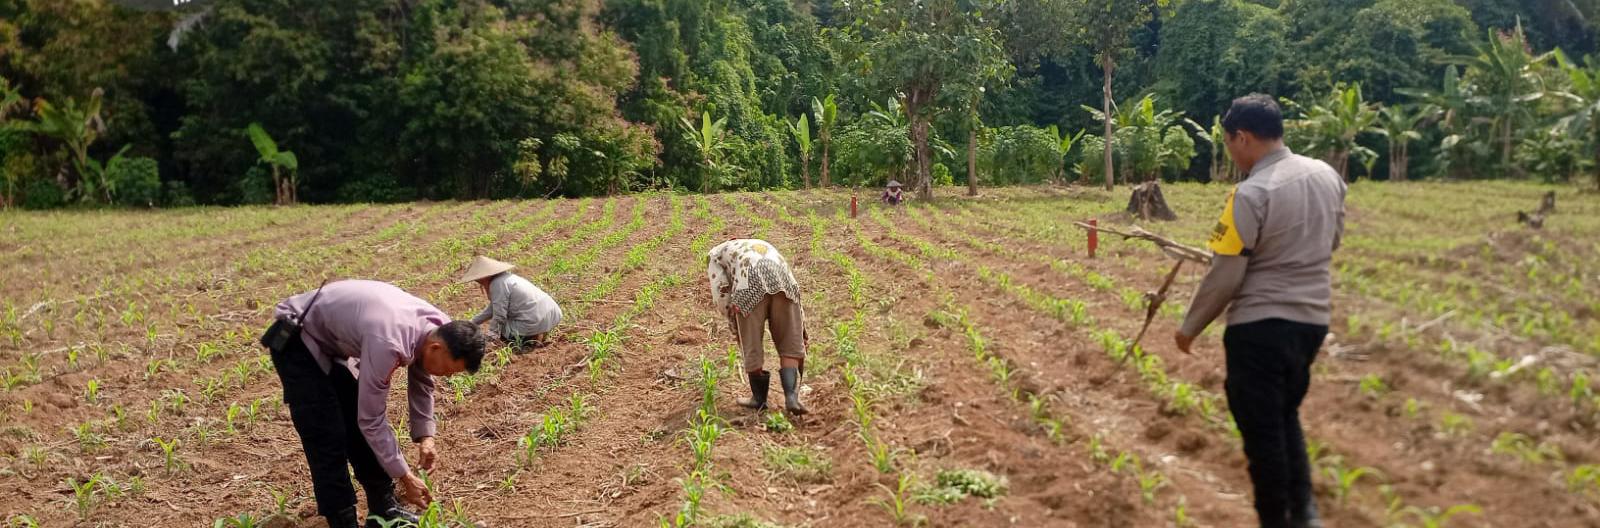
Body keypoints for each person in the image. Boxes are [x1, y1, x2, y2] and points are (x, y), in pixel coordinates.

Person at [1174, 94, 1345, 528]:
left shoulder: (1250, 193)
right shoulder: (1326, 176)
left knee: (1263, 435)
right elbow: (1333, 241)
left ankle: (1277, 519)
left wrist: (1189, 327)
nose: (1231, 153)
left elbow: (1226, 275)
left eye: (1229, 143)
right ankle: (1305, 515)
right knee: (1285, 416)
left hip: (1259, 331)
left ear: (1243, 137)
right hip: (1312, 324)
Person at [266, 280, 488, 528]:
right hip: (297, 338)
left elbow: (422, 382)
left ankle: (384, 510)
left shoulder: (441, 329)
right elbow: (371, 420)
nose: (446, 376)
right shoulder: (389, 343)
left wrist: (426, 438)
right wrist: (404, 476)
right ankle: (343, 521)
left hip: (330, 344)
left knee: (354, 423)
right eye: (448, 370)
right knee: (326, 434)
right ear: (436, 348)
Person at [706, 238, 809, 414]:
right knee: (789, 340)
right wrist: (802, 329)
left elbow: (720, 290)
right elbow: (797, 307)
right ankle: (791, 397)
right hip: (785, 282)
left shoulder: (715, 254)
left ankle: (759, 399)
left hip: (748, 283)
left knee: (751, 342)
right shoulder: (760, 244)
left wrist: (733, 321)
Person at [459, 255, 563, 353]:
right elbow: (492, 309)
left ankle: (530, 340)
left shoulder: (497, 284)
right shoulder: (507, 278)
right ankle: (537, 334)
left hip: (534, 320)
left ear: (483, 277)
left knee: (503, 333)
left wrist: (492, 336)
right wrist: (471, 323)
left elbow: (499, 316)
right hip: (551, 314)